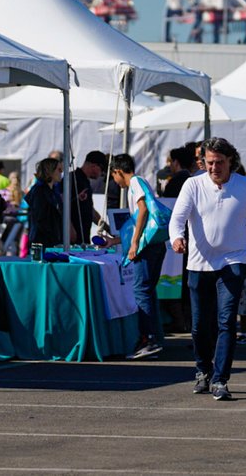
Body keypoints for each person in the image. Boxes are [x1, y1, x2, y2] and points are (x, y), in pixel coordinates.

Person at [169, 137, 246, 401]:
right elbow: (177, 217)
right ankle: (203, 370)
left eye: (219, 163)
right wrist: (177, 237)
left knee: (226, 321)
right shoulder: (193, 184)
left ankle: (220, 379)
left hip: (233, 262)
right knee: (200, 325)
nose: (214, 168)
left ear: (231, 161)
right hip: (199, 263)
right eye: (209, 163)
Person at [110, 153, 170, 360]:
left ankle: (148, 338)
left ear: (118, 171)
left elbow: (143, 210)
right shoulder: (141, 182)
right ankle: (154, 338)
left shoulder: (135, 182)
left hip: (147, 248)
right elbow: (140, 222)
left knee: (140, 291)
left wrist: (133, 243)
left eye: (113, 176)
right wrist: (116, 241)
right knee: (147, 290)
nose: (114, 181)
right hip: (155, 244)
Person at [70, 151, 109, 244]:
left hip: (83, 237)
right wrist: (69, 229)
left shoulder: (85, 182)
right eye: (102, 172)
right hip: (73, 238)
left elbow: (90, 210)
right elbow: (62, 206)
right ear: (94, 166)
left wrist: (107, 228)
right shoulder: (72, 179)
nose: (101, 175)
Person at [25, 157, 64, 248]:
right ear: (50, 171)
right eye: (59, 169)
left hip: (52, 239)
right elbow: (40, 218)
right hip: (42, 241)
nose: (61, 172)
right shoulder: (39, 191)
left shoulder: (53, 191)